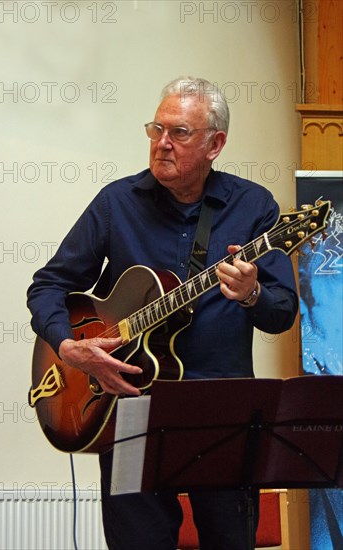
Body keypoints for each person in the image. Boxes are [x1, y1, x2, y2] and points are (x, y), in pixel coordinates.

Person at [27, 76, 298, 550]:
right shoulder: (117, 203)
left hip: (222, 407)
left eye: (179, 133)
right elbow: (49, 285)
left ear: (216, 144)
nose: (162, 144)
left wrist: (253, 294)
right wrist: (70, 346)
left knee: (229, 541)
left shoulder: (253, 207)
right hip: (129, 411)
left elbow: (282, 313)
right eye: (156, 129)